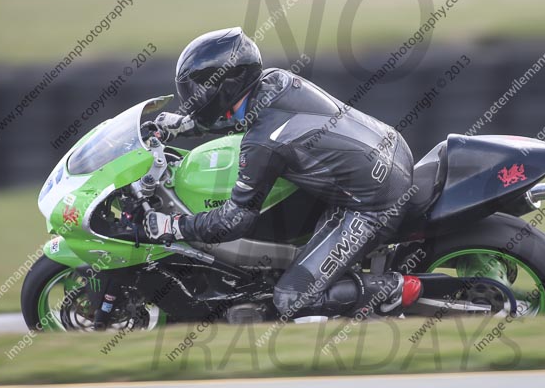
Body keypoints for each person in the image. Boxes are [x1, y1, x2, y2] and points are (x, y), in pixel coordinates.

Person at [142, 27, 422, 319]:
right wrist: (187, 125)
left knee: (291, 298)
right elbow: (251, 118)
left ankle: (391, 286)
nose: (194, 98)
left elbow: (234, 221)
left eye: (199, 90)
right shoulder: (276, 81)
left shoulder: (262, 144)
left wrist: (174, 227)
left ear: (222, 85)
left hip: (374, 202)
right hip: (389, 148)